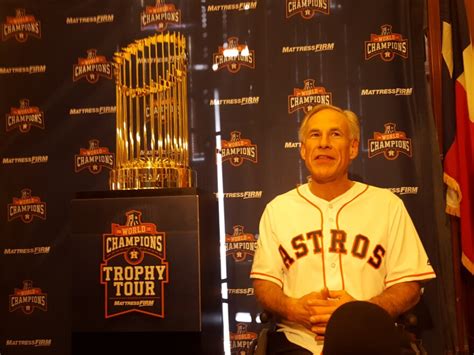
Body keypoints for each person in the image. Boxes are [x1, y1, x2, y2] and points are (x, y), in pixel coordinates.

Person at [250, 104, 436, 354]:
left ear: (352, 148)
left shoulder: (388, 205)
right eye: (315, 135)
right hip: (298, 341)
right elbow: (264, 284)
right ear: (304, 150)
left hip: (372, 340)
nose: (324, 143)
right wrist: (293, 308)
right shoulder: (277, 209)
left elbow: (409, 286)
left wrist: (360, 314)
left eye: (335, 134)